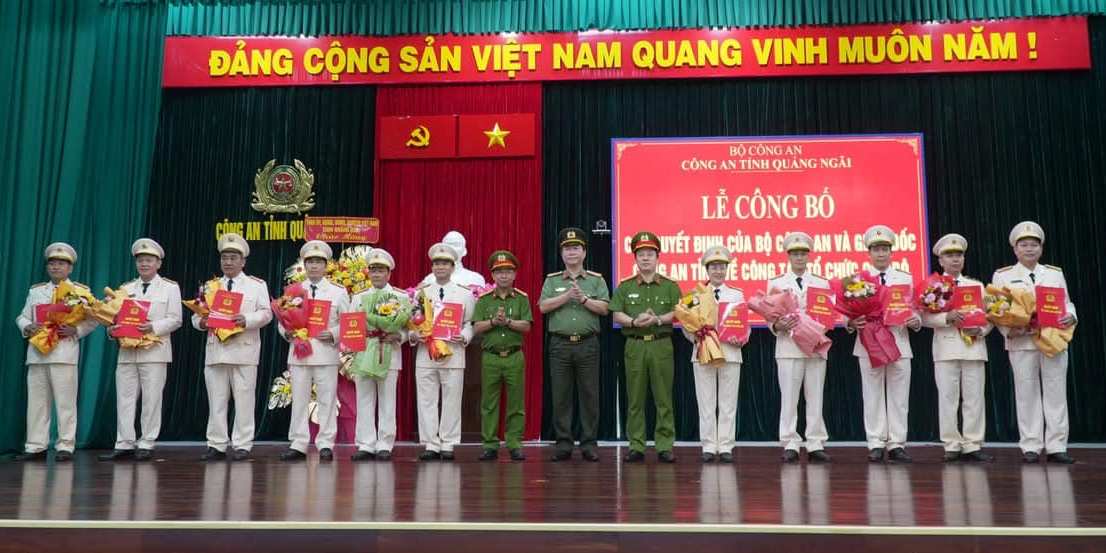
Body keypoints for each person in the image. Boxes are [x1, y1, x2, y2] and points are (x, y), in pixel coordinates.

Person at [991, 221, 1077, 464]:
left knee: (1056, 392)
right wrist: (1010, 328)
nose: (1029, 249)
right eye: (1024, 245)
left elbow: (1067, 303)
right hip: (1022, 342)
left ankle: (1057, 446)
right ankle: (1030, 446)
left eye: (1034, 245)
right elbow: (996, 309)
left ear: (1041, 248)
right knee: (1026, 393)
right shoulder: (1003, 275)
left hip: (1053, 340)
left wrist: (1071, 315)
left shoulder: (1054, 273)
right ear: (1015, 250)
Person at [99, 238, 182, 462]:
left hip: (154, 351)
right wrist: (112, 330)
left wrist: (152, 326)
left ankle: (146, 442)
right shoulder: (126, 289)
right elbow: (112, 319)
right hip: (127, 352)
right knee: (124, 398)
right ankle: (124, 443)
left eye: (149, 260)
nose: (144, 264)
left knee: (151, 398)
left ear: (158, 264)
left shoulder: (170, 287)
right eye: (141, 261)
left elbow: (176, 319)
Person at [192, 233, 272, 461]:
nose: (228, 261)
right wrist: (202, 322)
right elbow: (196, 317)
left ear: (243, 261)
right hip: (216, 351)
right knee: (216, 400)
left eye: (233, 257)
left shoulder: (257, 285)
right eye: (224, 257)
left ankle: (242, 445)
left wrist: (246, 319)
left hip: (244, 349)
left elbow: (266, 313)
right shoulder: (210, 286)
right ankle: (216, 444)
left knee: (244, 399)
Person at [14, 242, 98, 462]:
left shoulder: (79, 291)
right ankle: (35, 446)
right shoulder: (36, 290)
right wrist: (27, 326)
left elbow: (93, 320)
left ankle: (65, 445)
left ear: (70, 268)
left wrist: (76, 330)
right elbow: (22, 316)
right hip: (37, 353)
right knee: (37, 403)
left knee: (65, 402)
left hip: (64, 353)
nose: (55, 267)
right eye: (52, 263)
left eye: (61, 264)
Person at [847, 225, 921, 463]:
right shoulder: (857, 280)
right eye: (876, 249)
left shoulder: (905, 278)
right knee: (872, 395)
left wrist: (915, 321)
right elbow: (845, 313)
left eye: (885, 249)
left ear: (892, 252)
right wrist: (851, 321)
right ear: (868, 253)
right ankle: (876, 443)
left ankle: (897, 443)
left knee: (900, 397)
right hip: (869, 344)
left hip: (899, 342)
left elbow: (917, 310)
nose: (881, 253)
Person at [609, 231, 681, 463]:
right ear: (635, 258)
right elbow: (616, 312)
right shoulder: (625, 286)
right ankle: (636, 445)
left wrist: (658, 320)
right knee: (635, 398)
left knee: (663, 398)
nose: (646, 258)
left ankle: (664, 446)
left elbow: (680, 312)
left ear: (657, 256)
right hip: (635, 345)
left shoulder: (670, 286)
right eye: (641, 254)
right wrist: (632, 322)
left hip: (661, 345)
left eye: (650, 253)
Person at [539, 227, 609, 462]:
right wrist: (566, 297)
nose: (571, 252)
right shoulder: (552, 280)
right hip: (559, 346)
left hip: (588, 345)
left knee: (590, 395)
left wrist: (584, 299)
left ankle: (589, 443)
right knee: (561, 396)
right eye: (567, 249)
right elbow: (543, 307)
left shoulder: (596, 280)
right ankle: (564, 443)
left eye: (576, 248)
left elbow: (605, 308)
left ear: (584, 252)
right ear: (561, 254)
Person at [921, 234, 993, 463]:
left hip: (974, 347)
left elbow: (991, 314)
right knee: (948, 398)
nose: (955, 259)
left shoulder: (976, 285)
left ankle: (972, 444)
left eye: (958, 255)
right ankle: (951, 444)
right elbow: (923, 318)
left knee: (974, 398)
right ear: (940, 261)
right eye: (949, 255)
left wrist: (982, 330)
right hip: (946, 348)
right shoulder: (932, 286)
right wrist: (946, 317)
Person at [279, 240, 349, 462]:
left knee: (327, 400)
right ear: (304, 264)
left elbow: (348, 322)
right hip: (300, 352)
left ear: (326, 265)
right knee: (299, 399)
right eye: (310, 262)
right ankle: (298, 443)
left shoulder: (338, 292)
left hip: (326, 353)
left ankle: (326, 443)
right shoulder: (294, 290)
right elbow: (283, 319)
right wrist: (286, 333)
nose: (314, 266)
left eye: (319, 262)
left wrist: (334, 334)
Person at [768, 232, 832, 463]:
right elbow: (769, 316)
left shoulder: (822, 283)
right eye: (795, 253)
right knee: (789, 397)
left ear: (809, 255)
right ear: (788, 256)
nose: (799, 257)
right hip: (788, 346)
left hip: (815, 345)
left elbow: (828, 314)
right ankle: (790, 442)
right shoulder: (776, 283)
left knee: (815, 396)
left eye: (803, 253)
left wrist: (822, 325)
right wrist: (777, 324)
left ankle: (815, 442)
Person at [411, 243, 475, 461]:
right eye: (437, 263)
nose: (440, 267)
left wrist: (465, 336)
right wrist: (414, 335)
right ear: (432, 267)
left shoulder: (465, 294)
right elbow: (413, 322)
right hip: (425, 354)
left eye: (445, 264)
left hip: (453, 353)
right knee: (426, 400)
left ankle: (448, 443)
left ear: (453, 266)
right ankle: (431, 443)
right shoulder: (421, 293)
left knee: (451, 400)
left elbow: (470, 323)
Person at [682, 246, 744, 463]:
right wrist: (696, 336)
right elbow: (685, 324)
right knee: (706, 401)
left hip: (730, 352)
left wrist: (742, 337)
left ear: (727, 269)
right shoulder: (694, 295)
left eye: (722, 267)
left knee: (728, 402)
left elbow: (744, 326)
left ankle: (725, 446)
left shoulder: (737, 294)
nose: (718, 271)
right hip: (702, 352)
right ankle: (708, 446)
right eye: (714, 267)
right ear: (707, 269)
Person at [473, 250, 532, 461]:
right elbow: (477, 327)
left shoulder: (522, 298)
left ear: (515, 274)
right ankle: (490, 445)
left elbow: (526, 326)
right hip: (491, 357)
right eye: (499, 272)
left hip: (515, 356)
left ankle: (514, 444)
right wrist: (492, 323)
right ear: (492, 275)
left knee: (516, 403)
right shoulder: (484, 300)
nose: (504, 276)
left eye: (508, 271)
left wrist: (507, 322)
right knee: (489, 404)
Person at [350, 248, 405, 462]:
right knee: (363, 399)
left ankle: (385, 444)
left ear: (389, 273)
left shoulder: (400, 297)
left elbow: (410, 327)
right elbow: (351, 324)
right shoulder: (359, 297)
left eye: (381, 270)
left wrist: (398, 334)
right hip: (364, 351)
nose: (376, 274)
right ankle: (366, 444)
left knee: (387, 400)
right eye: (373, 270)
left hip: (388, 352)